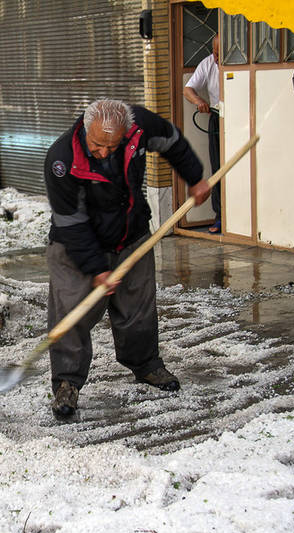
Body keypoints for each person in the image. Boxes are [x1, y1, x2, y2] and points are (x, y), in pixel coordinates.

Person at [44, 98, 210, 418]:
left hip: (131, 236)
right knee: (72, 314)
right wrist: (96, 269)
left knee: (138, 308)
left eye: (112, 145)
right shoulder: (62, 159)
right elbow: (71, 222)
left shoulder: (139, 126)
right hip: (74, 246)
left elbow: (172, 141)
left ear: (126, 132)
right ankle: (67, 383)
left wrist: (195, 177)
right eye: (97, 144)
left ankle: (146, 365)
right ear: (85, 129)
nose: (104, 152)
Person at [183, 34, 221, 234]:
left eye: (220, 54)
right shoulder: (207, 64)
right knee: (218, 167)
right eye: (215, 53)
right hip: (218, 116)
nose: (217, 58)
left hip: (241, 117)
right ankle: (220, 216)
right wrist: (199, 101)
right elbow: (188, 89)